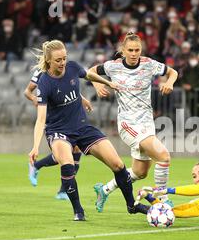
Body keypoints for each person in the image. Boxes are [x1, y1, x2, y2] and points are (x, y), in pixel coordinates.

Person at [28, 39, 147, 221]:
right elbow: (41, 118)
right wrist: (35, 146)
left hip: (82, 127)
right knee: (67, 165)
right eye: (58, 60)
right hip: (58, 131)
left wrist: (108, 83)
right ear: (49, 60)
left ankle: (132, 205)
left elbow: (88, 75)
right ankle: (78, 211)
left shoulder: (73, 67)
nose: (62, 63)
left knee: (118, 164)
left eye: (64, 58)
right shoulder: (44, 82)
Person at [88, 32, 178, 213]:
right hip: (128, 124)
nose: (134, 53)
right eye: (130, 50)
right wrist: (98, 84)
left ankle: (104, 190)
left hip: (147, 123)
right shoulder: (112, 67)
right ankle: (163, 199)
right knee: (164, 156)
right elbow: (90, 72)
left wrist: (170, 82)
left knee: (140, 172)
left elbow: (172, 72)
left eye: (137, 49)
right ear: (122, 51)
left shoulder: (148, 64)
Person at [24, 69, 94, 200]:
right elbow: (27, 91)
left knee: (75, 150)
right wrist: (35, 98)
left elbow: (68, 88)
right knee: (63, 154)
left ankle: (62, 190)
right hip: (54, 118)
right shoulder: (40, 73)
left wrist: (82, 99)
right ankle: (37, 167)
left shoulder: (63, 70)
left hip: (69, 115)